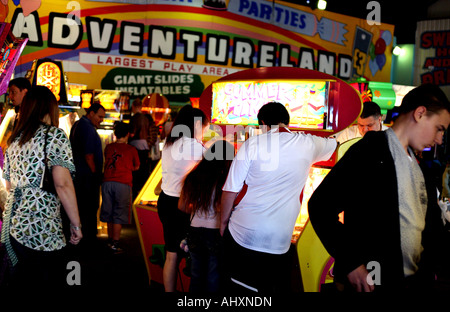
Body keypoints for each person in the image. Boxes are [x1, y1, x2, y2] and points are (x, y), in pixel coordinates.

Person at [308, 83, 450, 292]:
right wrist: (352, 264)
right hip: (374, 282)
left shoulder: (419, 167)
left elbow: (429, 230)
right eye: (439, 129)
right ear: (420, 114)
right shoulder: (369, 151)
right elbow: (320, 206)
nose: (439, 139)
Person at [220, 101, 337, 293]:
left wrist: (223, 223)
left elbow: (230, 190)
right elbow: (336, 144)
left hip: (243, 233)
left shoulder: (253, 144)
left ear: (263, 123)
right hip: (280, 241)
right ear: (287, 122)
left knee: (239, 289)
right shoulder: (309, 143)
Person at [0, 85, 82, 286]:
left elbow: (9, 186)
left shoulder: (15, 140)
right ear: (50, 108)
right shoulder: (54, 135)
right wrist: (76, 224)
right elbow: (62, 185)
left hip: (15, 225)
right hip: (44, 227)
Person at [157, 104, 209, 292]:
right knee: (193, 254)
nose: (206, 130)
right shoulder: (195, 147)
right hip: (182, 206)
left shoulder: (170, 143)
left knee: (171, 254)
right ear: (197, 125)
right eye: (205, 126)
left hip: (165, 201)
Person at [178, 139, 235, 292]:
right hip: (215, 231)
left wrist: (198, 207)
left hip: (195, 230)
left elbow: (182, 206)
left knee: (196, 275)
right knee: (213, 275)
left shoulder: (193, 176)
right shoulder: (225, 180)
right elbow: (220, 208)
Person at [100, 121, 140, 254]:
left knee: (109, 213)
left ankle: (110, 240)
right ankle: (115, 244)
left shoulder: (109, 147)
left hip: (107, 182)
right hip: (123, 183)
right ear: (128, 134)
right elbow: (137, 166)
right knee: (118, 214)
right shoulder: (131, 149)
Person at [69, 103, 105, 246]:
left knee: (81, 207)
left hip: (77, 175)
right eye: (99, 116)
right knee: (89, 208)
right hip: (87, 177)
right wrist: (96, 173)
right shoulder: (89, 129)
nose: (101, 120)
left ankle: (80, 238)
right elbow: (89, 155)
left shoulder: (77, 125)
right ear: (91, 113)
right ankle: (88, 241)